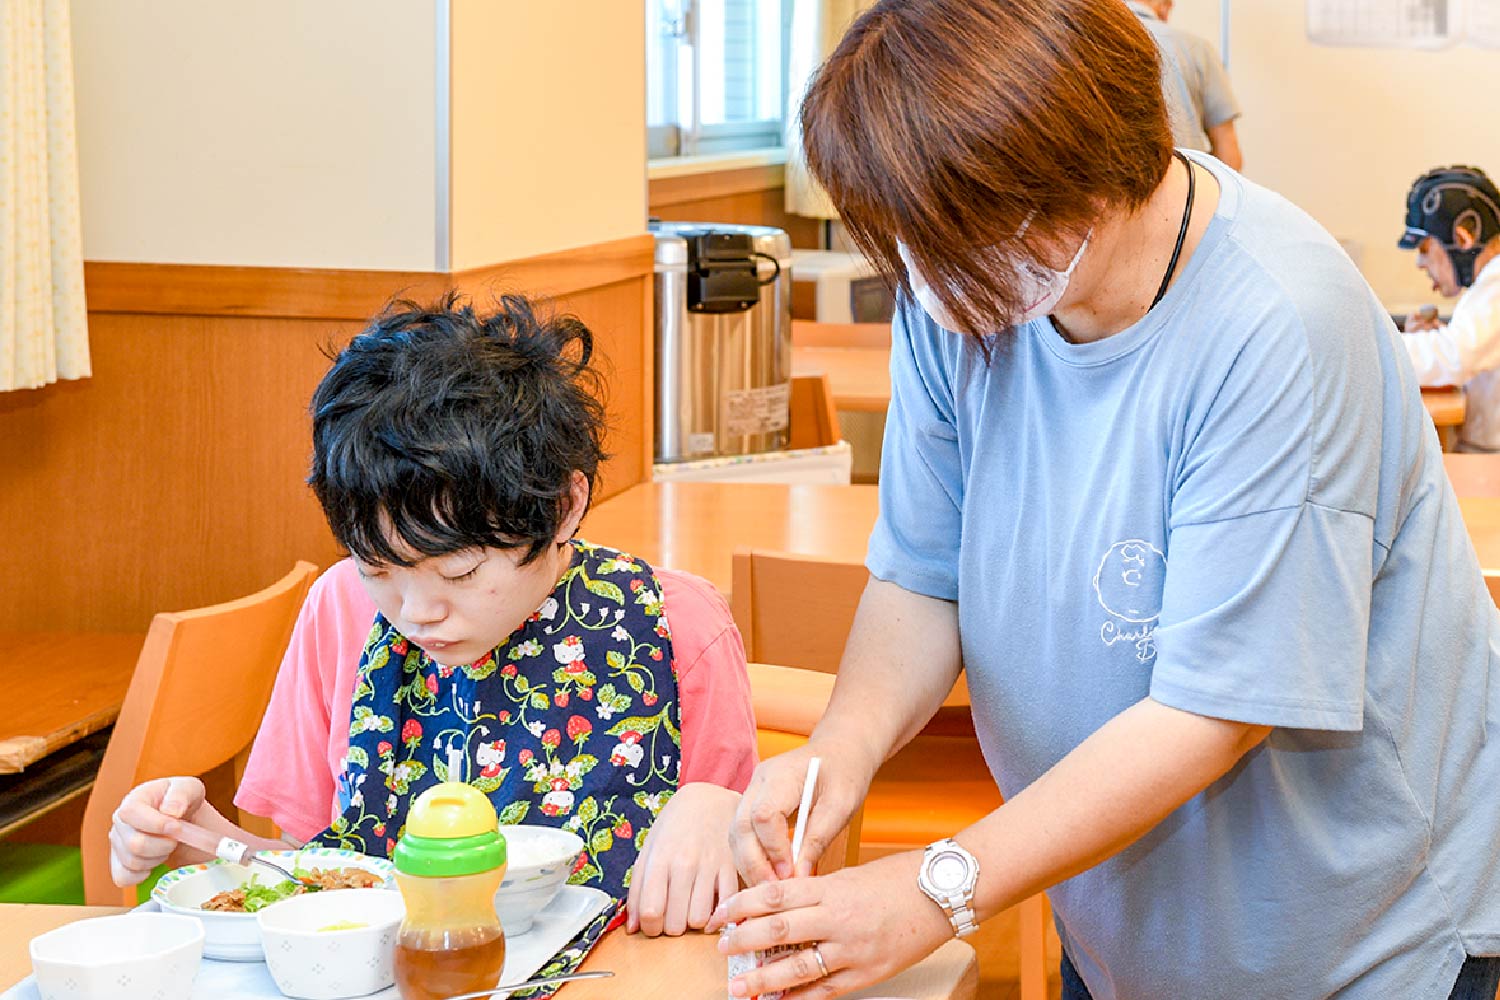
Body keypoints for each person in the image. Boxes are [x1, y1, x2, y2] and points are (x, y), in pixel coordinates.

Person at [714, 3, 1500, 998]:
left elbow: (1214, 710)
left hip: (1352, 938)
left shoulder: (1278, 323)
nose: (924, 286)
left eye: (950, 246)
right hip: (1120, 915)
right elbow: (922, 576)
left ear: (1080, 189)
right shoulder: (961, 290)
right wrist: (836, 754)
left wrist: (934, 888)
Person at [107, 295, 757, 965]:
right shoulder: (340, 610)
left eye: (460, 573)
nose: (417, 611)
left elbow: (740, 901)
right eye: (377, 567)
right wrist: (206, 844)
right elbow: (329, 885)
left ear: (564, 508)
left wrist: (722, 810)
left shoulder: (672, 622)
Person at [1400, 165, 1500, 451]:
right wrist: (1430, 341)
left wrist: (1384, 347)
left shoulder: (1497, 282)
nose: (1420, 263)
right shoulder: (1487, 288)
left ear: (1462, 238)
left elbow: (1456, 358)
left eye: (1424, 249)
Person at [1127, 0, 1243, 169]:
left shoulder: (1085, 45)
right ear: (1165, 5)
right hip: (1188, 189)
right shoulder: (1197, 49)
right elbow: (1229, 156)